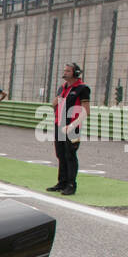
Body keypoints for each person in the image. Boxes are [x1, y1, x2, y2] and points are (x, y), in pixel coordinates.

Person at [48, 63, 89, 196]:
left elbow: (86, 111)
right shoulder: (62, 87)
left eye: (68, 71)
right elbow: (54, 104)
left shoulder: (82, 88)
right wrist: (55, 102)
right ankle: (62, 182)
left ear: (75, 73)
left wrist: (72, 125)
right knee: (60, 154)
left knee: (70, 155)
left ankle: (71, 184)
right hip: (59, 125)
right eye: (64, 70)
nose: (64, 73)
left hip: (72, 127)